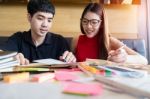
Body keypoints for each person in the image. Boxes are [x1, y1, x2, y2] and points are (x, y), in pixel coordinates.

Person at [1, 0, 76, 65]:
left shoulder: (60, 41)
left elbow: (69, 66)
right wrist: (12, 58)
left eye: (49, 20)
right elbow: (1, 54)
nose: (45, 25)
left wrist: (71, 59)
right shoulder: (18, 38)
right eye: (40, 18)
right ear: (29, 17)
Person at [75, 3, 148, 65]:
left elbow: (143, 60)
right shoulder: (76, 40)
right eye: (85, 21)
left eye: (94, 22)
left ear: (102, 23)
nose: (88, 26)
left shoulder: (110, 41)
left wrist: (124, 58)